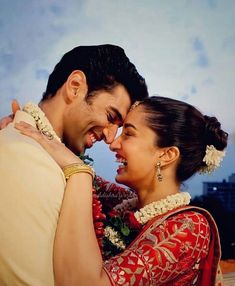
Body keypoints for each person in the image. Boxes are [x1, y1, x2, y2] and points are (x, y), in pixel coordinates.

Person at [15, 96, 228, 285]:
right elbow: (71, 166)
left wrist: (79, 172)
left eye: (128, 134)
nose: (113, 144)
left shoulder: (190, 227)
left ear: (166, 155)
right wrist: (24, 122)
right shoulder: (124, 202)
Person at [0, 44, 148, 285]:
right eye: (111, 117)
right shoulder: (26, 157)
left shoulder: (53, 159)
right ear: (75, 86)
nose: (111, 138)